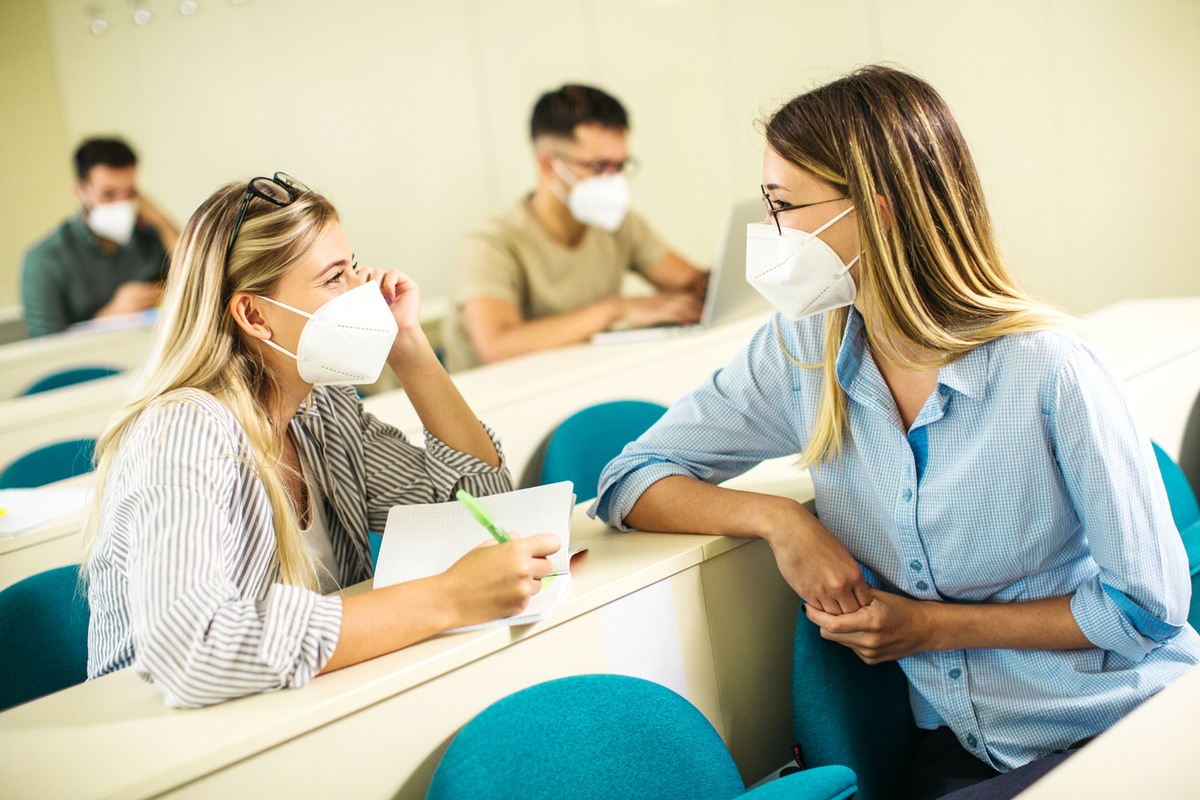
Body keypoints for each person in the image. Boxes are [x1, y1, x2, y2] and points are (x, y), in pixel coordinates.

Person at [591, 66, 1200, 799]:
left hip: (1121, 725)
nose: (769, 232)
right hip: (969, 752)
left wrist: (931, 628)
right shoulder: (799, 352)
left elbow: (1147, 610)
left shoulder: (1049, 369)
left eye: (784, 206)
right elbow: (628, 479)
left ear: (876, 212)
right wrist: (779, 520)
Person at [82, 173, 559, 708]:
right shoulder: (184, 429)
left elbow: (482, 502)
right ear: (254, 315)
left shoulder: (323, 407)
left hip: (295, 706)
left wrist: (409, 346)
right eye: (335, 278)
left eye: (355, 267)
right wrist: (447, 598)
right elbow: (194, 649)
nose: (365, 293)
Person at [442, 84, 708, 371]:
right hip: (493, 401)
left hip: (580, 380)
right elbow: (498, 345)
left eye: (620, 166)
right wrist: (616, 309)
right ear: (547, 166)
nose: (613, 180)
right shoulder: (491, 241)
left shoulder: (619, 224)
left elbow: (694, 284)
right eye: (599, 166)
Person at [20, 137, 180, 337]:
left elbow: (199, 272)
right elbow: (45, 350)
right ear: (81, 191)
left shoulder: (149, 239)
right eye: (108, 194)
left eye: (130, 193)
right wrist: (111, 316)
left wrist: (160, 220)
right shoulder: (44, 260)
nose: (122, 204)